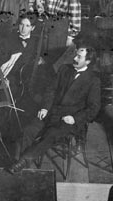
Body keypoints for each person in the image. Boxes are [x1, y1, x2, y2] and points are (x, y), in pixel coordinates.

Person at [7, 45, 101, 173]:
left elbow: (93, 108)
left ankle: (23, 162)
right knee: (28, 131)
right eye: (75, 54)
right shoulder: (64, 69)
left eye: (79, 57)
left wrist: (74, 118)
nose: (74, 58)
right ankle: (19, 164)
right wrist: (45, 108)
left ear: (88, 61)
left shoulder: (93, 80)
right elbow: (50, 90)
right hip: (51, 112)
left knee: (49, 136)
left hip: (68, 120)